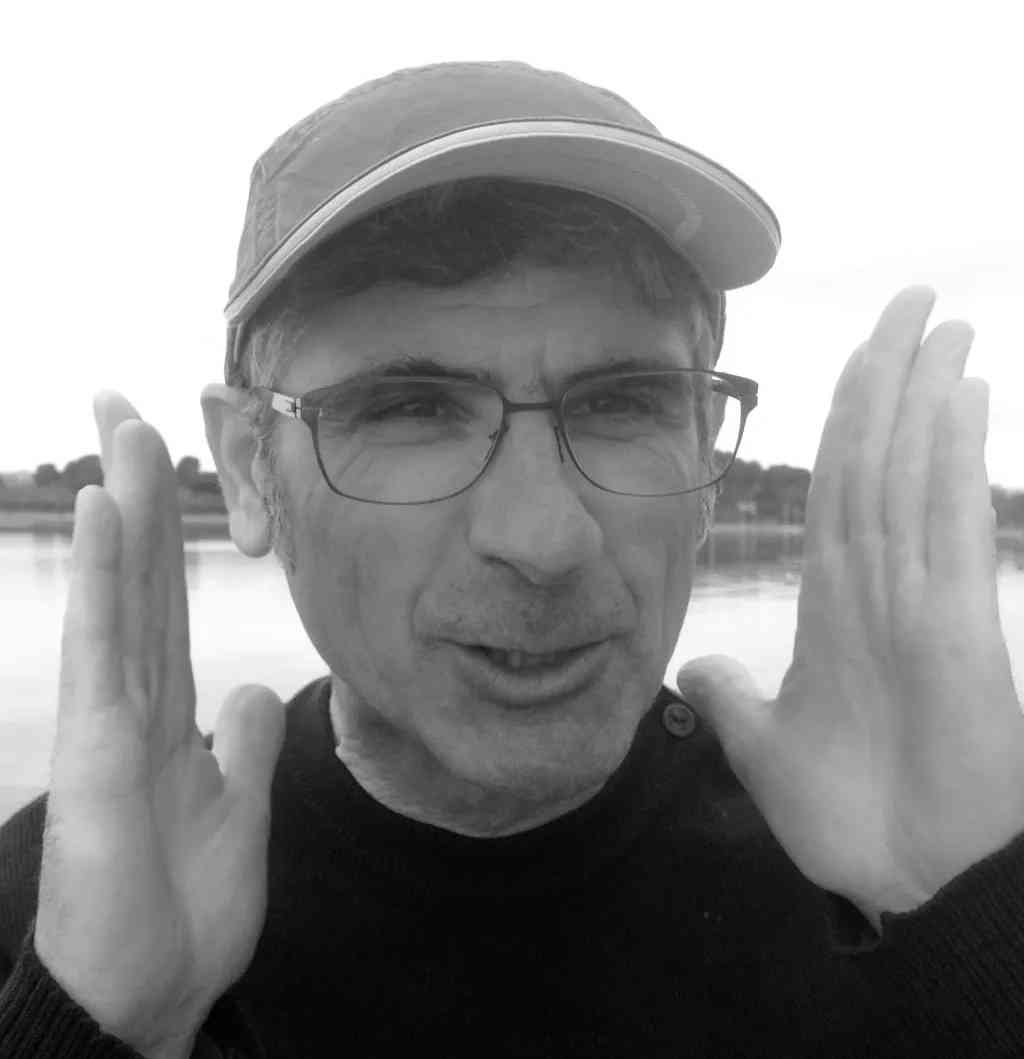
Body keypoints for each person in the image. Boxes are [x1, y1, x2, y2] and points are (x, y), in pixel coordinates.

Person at [1, 60, 1023, 1059]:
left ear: (703, 451)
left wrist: (979, 925)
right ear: (248, 471)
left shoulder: (901, 880)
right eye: (411, 408)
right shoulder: (67, 917)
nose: (544, 541)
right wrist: (101, 1028)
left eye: (622, 402)